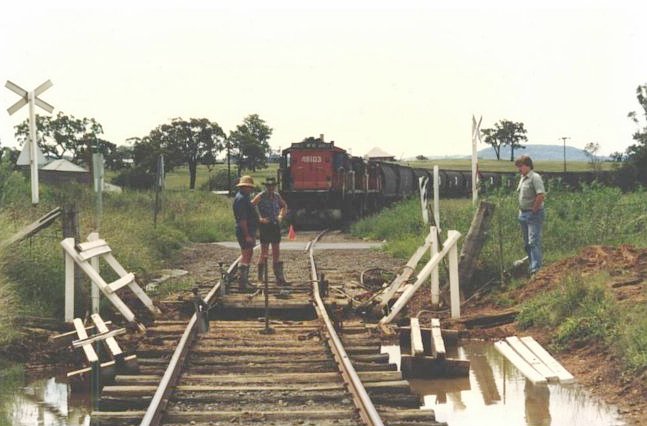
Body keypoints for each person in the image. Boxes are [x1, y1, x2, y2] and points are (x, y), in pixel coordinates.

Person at [252, 176, 288, 285]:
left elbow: (284, 206)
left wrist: (281, 215)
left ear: (274, 187)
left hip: (275, 226)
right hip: (265, 226)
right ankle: (260, 278)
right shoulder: (260, 196)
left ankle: (279, 278)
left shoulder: (277, 196)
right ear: (266, 186)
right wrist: (259, 218)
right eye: (269, 186)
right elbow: (251, 206)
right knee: (264, 252)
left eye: (272, 186)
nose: (271, 188)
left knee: (276, 252)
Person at [515, 155, 546, 276]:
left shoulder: (535, 177)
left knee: (533, 241)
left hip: (533, 214)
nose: (519, 169)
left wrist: (533, 210)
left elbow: (541, 195)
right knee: (527, 243)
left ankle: (536, 269)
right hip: (523, 214)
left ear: (528, 165)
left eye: (520, 166)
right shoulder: (523, 178)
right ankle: (532, 265)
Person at [232, 175, 258, 292]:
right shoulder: (241, 199)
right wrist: (247, 235)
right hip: (245, 231)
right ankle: (242, 284)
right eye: (248, 187)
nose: (250, 189)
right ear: (243, 187)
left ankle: (244, 282)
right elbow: (242, 220)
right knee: (246, 255)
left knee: (247, 254)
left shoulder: (244, 197)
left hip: (248, 230)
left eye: (250, 187)